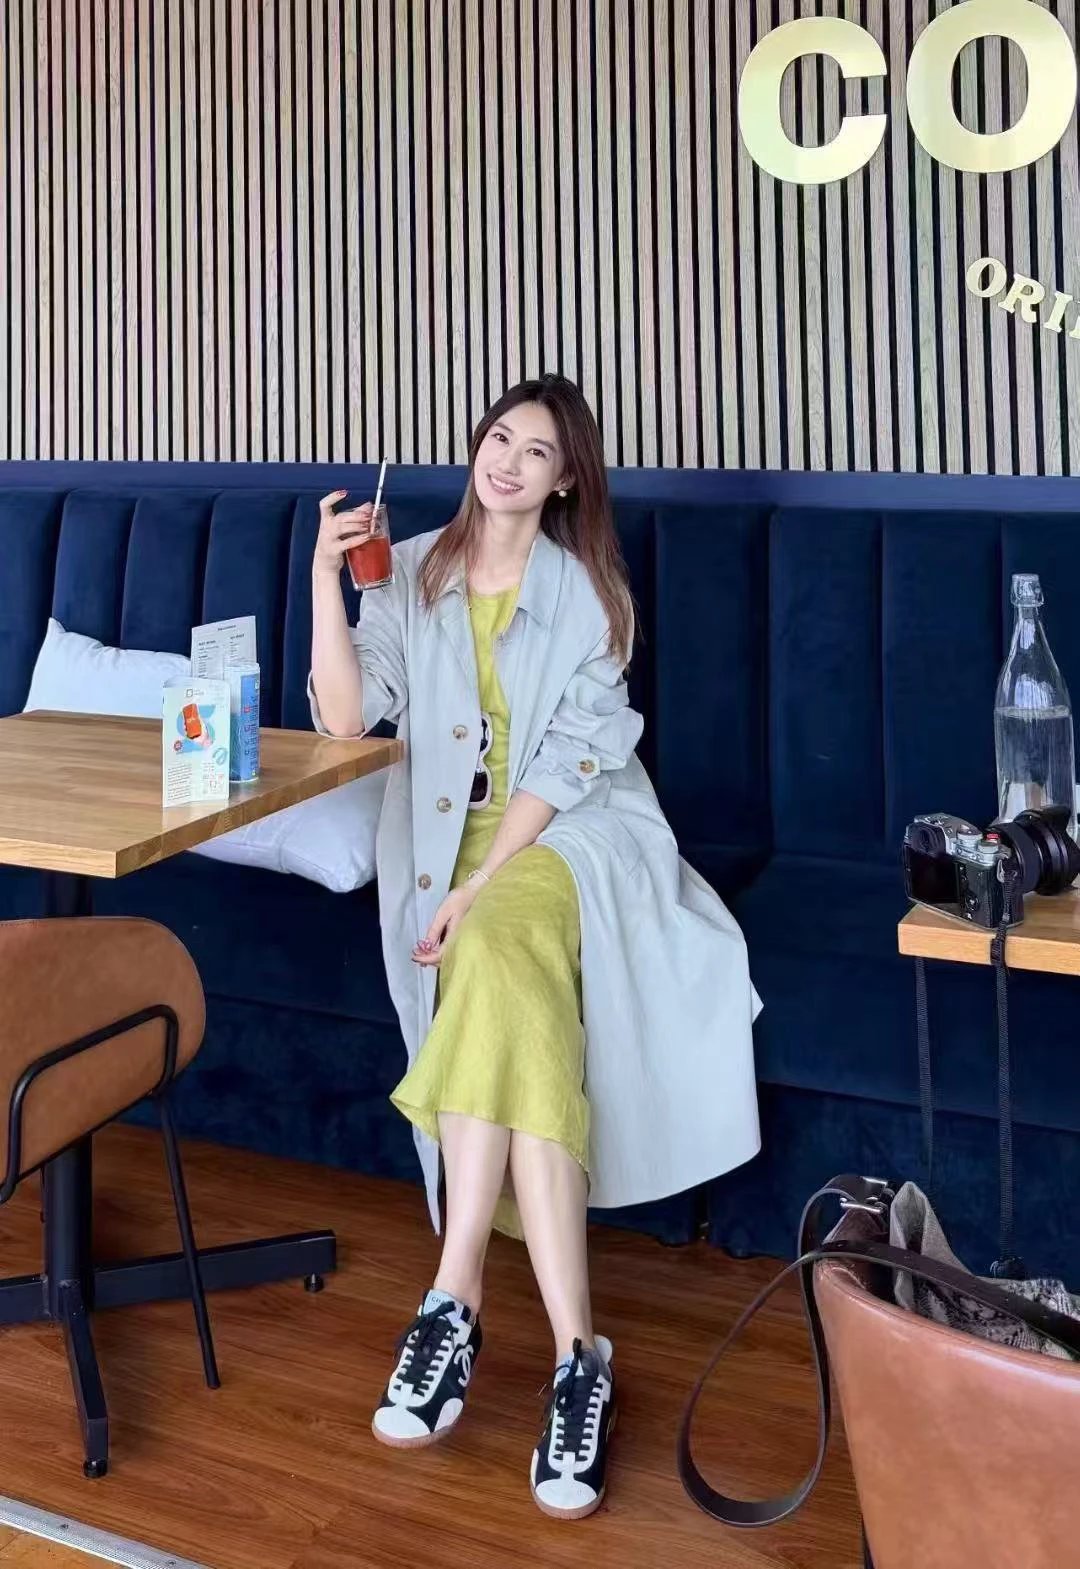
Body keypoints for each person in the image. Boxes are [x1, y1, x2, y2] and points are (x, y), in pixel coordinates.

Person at [308, 374, 761, 1520]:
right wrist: (323, 579)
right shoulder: (411, 569)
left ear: (566, 481)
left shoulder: (591, 596)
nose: (506, 461)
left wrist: (483, 888)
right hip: (440, 853)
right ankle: (578, 1360)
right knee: (505, 991)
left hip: (570, 839)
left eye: (537, 451)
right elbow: (348, 720)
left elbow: (567, 768)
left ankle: (452, 1295)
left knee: (495, 941)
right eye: (498, 438)